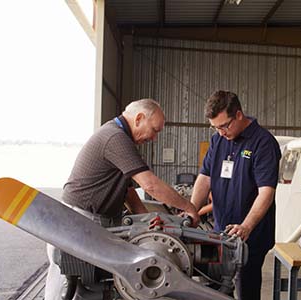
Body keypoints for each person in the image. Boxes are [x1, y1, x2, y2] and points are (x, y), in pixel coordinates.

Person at [45, 98, 199, 300]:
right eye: (154, 130)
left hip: (93, 223)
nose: (154, 138)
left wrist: (147, 221)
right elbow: (149, 185)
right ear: (139, 119)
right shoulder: (114, 138)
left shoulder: (119, 137)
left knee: (91, 289)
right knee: (70, 289)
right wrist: (189, 207)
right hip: (79, 222)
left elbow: (128, 192)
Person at [190, 90, 281, 300]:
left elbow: (266, 192)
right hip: (220, 230)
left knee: (245, 288)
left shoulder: (263, 143)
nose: (221, 132)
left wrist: (246, 226)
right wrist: (191, 210)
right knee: (211, 283)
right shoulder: (218, 140)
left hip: (251, 236)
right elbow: (205, 178)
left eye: (224, 125)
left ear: (239, 115)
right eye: (215, 127)